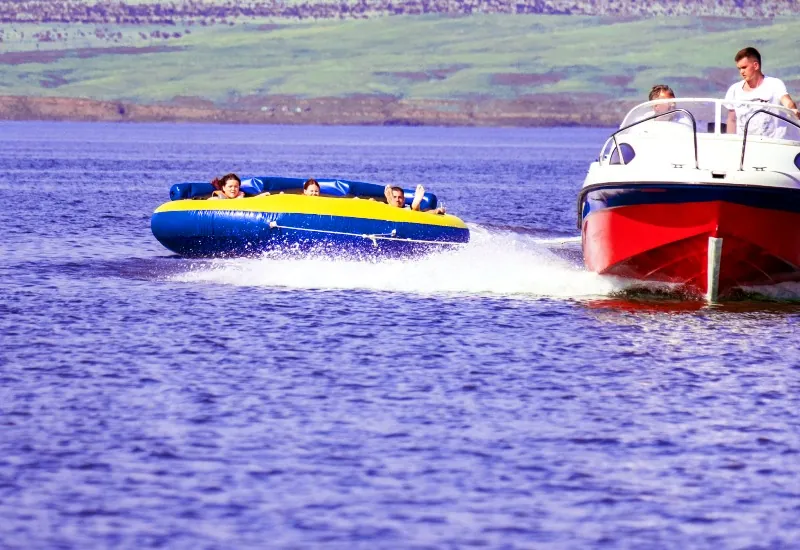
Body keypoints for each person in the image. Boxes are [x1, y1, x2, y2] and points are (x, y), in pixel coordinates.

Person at [724, 47, 799, 136]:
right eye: (739, 69)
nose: (741, 72)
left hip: (772, 144)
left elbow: (787, 102)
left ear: (756, 65)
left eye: (744, 67)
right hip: (745, 145)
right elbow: (731, 119)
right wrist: (731, 140)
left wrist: (792, 109)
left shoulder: (774, 84)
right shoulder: (734, 89)